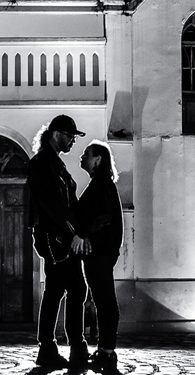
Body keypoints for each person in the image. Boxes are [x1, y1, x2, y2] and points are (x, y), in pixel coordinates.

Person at [27, 114, 90, 368]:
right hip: (54, 236)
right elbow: (53, 205)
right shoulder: (42, 164)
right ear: (55, 135)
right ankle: (54, 347)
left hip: (62, 235)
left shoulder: (56, 164)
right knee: (60, 290)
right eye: (70, 136)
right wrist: (72, 231)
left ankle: (66, 346)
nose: (73, 141)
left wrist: (80, 229)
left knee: (69, 289)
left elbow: (68, 203)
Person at [76, 140, 123, 374]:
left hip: (99, 253)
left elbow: (103, 217)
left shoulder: (101, 184)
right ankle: (105, 350)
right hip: (100, 252)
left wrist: (84, 235)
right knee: (103, 300)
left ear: (98, 160)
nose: (81, 157)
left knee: (105, 301)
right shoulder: (100, 183)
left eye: (86, 154)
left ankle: (106, 351)